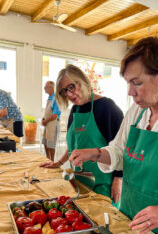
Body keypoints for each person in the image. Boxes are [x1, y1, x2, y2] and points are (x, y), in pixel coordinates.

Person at [68, 37, 158, 234]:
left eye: (137, 83)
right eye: (128, 83)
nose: (130, 92)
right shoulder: (137, 111)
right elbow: (118, 151)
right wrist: (95, 153)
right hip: (129, 219)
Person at [40, 65, 124, 206]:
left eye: (71, 87)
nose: (69, 94)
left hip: (103, 184)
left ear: (82, 81)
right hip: (80, 181)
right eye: (64, 91)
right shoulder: (75, 109)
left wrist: (118, 180)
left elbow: (122, 149)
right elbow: (74, 146)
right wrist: (58, 163)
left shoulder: (107, 108)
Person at [42, 81, 61, 161]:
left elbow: (55, 115)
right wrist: (44, 119)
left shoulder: (55, 99)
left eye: (46, 87)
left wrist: (46, 121)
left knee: (51, 144)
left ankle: (52, 161)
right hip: (48, 124)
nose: (44, 89)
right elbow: (48, 112)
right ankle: (47, 159)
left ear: (51, 87)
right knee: (45, 142)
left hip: (53, 124)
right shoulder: (49, 98)